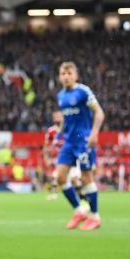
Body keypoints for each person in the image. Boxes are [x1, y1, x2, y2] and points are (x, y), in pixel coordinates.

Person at [55, 62, 104, 230]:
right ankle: (79, 211)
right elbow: (65, 119)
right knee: (60, 177)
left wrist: (94, 133)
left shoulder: (83, 91)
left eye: (69, 73)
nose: (66, 76)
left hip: (83, 140)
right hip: (69, 142)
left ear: (75, 75)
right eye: (63, 73)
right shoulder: (61, 96)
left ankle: (95, 217)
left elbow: (99, 112)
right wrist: (58, 133)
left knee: (86, 178)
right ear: (59, 76)